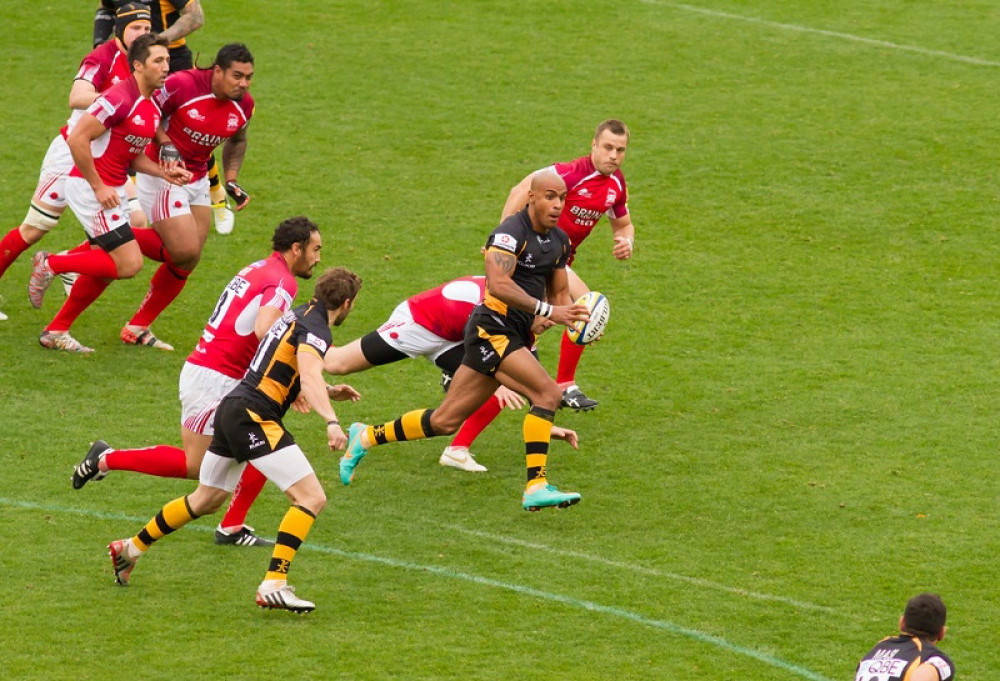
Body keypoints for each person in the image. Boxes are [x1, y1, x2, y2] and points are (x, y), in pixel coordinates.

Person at [72, 217, 344, 549]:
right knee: (204, 464)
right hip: (218, 378)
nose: (318, 258)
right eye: (315, 249)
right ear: (296, 248)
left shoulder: (257, 268)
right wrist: (297, 379)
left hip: (214, 370)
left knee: (264, 438)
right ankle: (106, 459)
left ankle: (230, 526)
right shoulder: (284, 282)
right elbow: (266, 330)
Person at [106, 267, 363, 614]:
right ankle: (275, 584)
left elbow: (285, 367)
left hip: (233, 408)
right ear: (346, 303)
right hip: (254, 416)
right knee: (310, 497)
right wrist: (331, 420)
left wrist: (328, 391)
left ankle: (129, 549)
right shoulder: (316, 328)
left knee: (207, 498)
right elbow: (308, 374)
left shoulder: (297, 313)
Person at [338, 169, 590, 512]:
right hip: (493, 328)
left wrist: (576, 323)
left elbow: (560, 294)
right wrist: (546, 309)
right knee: (547, 393)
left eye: (562, 198)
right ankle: (536, 485)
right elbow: (498, 284)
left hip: (516, 331)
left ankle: (365, 436)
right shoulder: (509, 234)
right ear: (531, 197)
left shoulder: (559, 241)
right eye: (549, 196)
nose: (557, 204)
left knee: (445, 421)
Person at [27, 34, 191, 353]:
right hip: (93, 190)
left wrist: (164, 172)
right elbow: (77, 138)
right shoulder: (118, 98)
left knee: (109, 264)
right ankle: (53, 264)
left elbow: (130, 154)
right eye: (159, 61)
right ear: (139, 65)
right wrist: (98, 186)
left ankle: (56, 331)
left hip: (111, 187)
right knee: (128, 264)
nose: (166, 67)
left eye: (168, 61)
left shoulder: (148, 103)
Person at [324, 274, 579, 472]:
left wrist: (546, 423)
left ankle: (368, 436)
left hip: (456, 339)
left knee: (447, 421)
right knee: (336, 364)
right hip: (420, 323)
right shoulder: (496, 306)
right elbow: (481, 346)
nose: (551, 322)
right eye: (550, 314)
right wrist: (497, 376)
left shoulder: (524, 327)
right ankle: (302, 331)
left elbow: (533, 385)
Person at [0, 3, 153, 320]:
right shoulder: (102, 58)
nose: (143, 34)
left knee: (136, 222)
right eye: (136, 28)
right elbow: (77, 96)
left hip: (110, 156)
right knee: (37, 227)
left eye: (147, 29)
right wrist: (116, 98)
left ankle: (68, 264)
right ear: (120, 30)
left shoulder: (143, 63)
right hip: (73, 150)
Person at [119, 42, 255, 350]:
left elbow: (238, 139)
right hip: (162, 172)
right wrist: (165, 142)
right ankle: (104, 238)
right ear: (217, 71)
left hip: (197, 179)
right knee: (184, 248)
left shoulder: (244, 104)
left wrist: (231, 180)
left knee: (188, 260)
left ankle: (137, 327)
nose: (243, 84)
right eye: (237, 76)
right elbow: (146, 110)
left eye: (248, 77)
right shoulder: (182, 85)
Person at [502, 119, 636, 412]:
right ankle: (563, 385)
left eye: (620, 150)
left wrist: (626, 242)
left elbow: (623, 224)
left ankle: (469, 360)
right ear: (594, 145)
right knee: (585, 309)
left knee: (538, 321)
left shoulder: (616, 184)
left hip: (560, 260)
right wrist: (502, 239)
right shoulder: (568, 174)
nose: (613, 155)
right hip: (535, 257)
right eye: (608, 147)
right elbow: (520, 189)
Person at [92, 0, 236, 234]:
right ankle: (134, 198)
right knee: (132, 126)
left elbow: (195, 16)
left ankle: (217, 194)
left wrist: (155, 46)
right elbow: (106, 9)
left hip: (171, 59)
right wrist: (99, 45)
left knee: (189, 135)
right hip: (131, 57)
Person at [855, 593, 955, 681]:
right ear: (941, 633)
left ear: (901, 623)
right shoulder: (935, 659)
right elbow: (925, 674)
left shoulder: (877, 649)